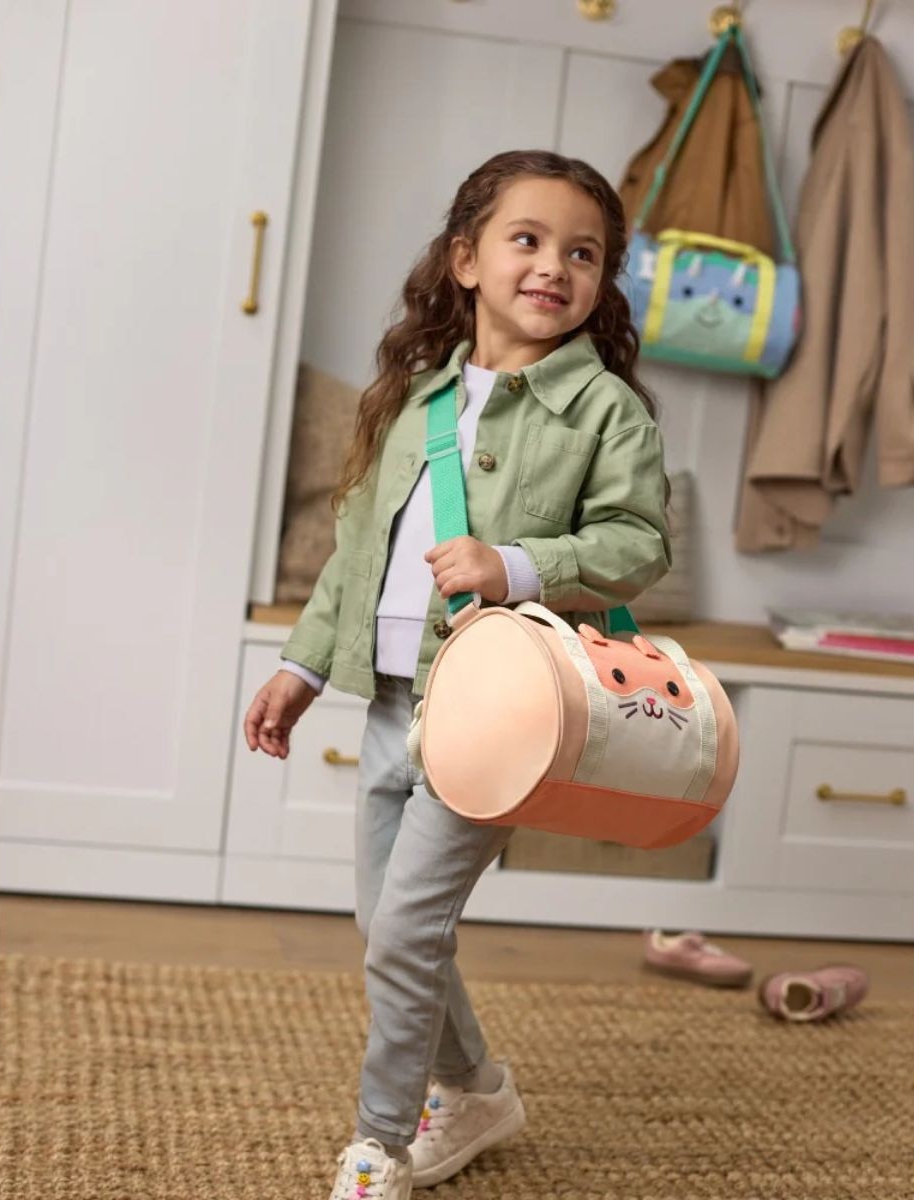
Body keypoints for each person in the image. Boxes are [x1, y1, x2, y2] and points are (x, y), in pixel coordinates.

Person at [243, 149, 672, 1198]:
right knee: (387, 929)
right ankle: (476, 1087)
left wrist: (514, 565)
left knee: (402, 936)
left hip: (494, 714)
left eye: (584, 253)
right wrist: (303, 668)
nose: (555, 266)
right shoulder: (418, 398)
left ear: (601, 282)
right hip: (393, 705)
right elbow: (357, 552)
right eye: (528, 240)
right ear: (466, 260)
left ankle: (380, 1144)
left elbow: (639, 545)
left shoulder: (606, 411)